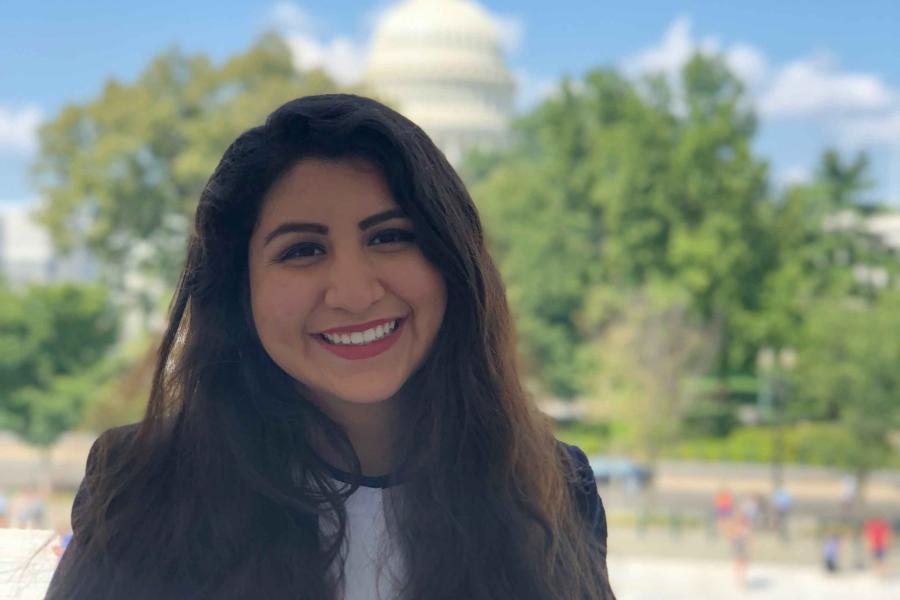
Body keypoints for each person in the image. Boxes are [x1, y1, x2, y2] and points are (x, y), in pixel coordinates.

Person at [46, 94, 615, 600]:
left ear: (452, 263)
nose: (355, 293)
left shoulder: (551, 486)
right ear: (239, 290)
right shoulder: (144, 484)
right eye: (302, 250)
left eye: (389, 237)